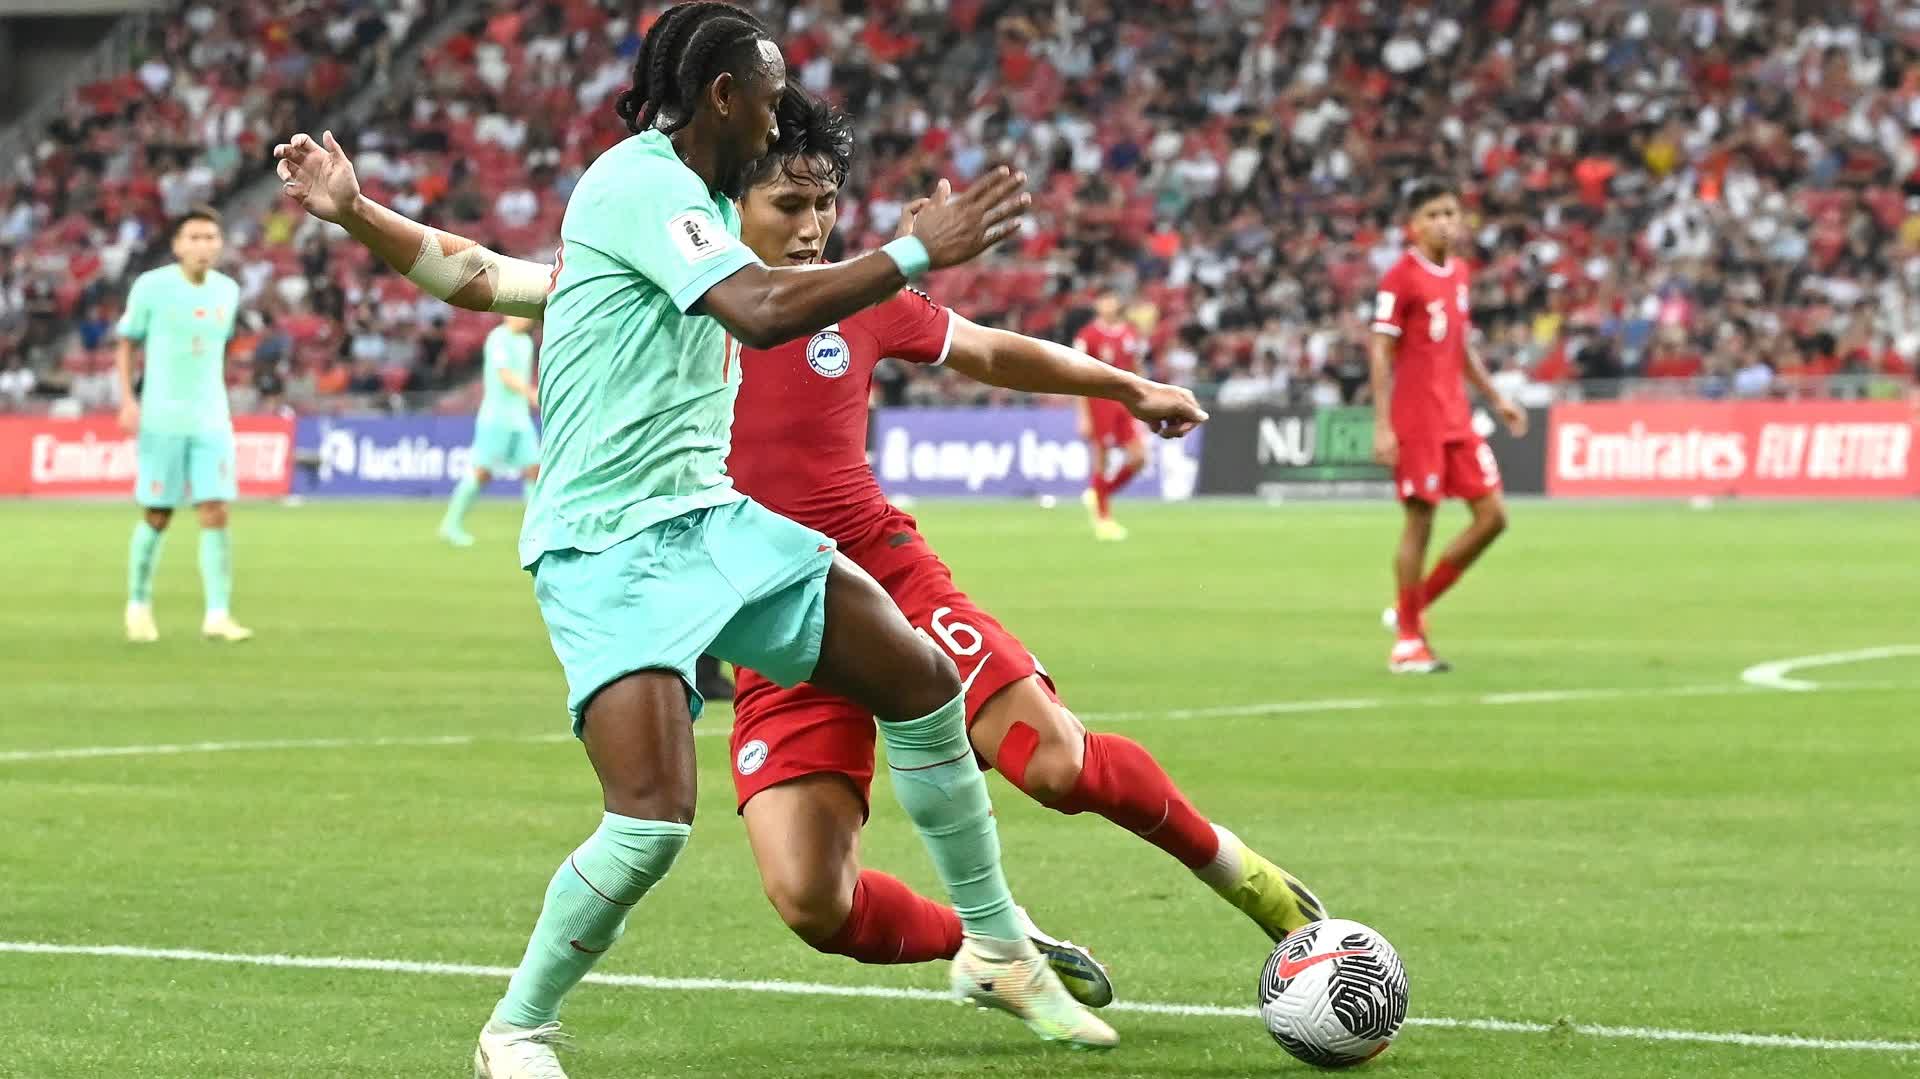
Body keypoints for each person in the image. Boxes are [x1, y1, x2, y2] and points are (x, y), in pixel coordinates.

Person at [277, 82, 1326, 1007]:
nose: (818, 225)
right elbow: (478, 274)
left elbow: (991, 351)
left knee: (1052, 762)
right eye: (792, 203)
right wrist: (356, 211)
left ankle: (1247, 878)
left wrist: (1126, 384)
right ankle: (987, 945)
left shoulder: (860, 295)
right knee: (811, 899)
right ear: (722, 207)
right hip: (759, 603)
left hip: (882, 572)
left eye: (827, 204)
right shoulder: (647, 275)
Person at [1368, 179, 1526, 673]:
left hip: (1457, 416)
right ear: (1414, 226)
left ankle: (1410, 610)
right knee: (1421, 521)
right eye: (1433, 215)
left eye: (1450, 213)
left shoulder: (1458, 273)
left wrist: (1497, 399)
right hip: (1417, 418)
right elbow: (1380, 349)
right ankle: (1407, 643)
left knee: (1493, 517)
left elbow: (1460, 346)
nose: (1443, 222)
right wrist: (1382, 425)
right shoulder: (1400, 277)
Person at [115, 205, 253, 644]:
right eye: (193, 237)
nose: (203, 245)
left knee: (216, 511)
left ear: (220, 244)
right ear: (176, 245)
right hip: (162, 418)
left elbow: (217, 351)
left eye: (210, 237)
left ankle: (218, 614)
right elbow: (126, 343)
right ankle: (138, 605)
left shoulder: (227, 291)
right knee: (158, 514)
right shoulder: (151, 287)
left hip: (211, 419)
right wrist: (127, 399)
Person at [441, 315, 540, 547]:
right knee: (482, 472)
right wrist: (530, 393)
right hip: (496, 418)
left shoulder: (526, 342)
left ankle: (534, 530)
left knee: (534, 469)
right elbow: (504, 375)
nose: (525, 319)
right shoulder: (498, 338)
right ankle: (450, 524)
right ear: (507, 314)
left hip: (520, 418)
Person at [1072, 293, 1151, 541]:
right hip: (1099, 400)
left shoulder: (1130, 333)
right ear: (1097, 305)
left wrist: (1146, 399)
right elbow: (1077, 376)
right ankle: (1103, 520)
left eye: (1111, 300)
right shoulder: (1087, 336)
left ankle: (1100, 493)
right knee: (1101, 459)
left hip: (1125, 401)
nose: (1108, 305)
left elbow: (1137, 368)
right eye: (1104, 300)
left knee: (1139, 457)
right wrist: (1083, 414)